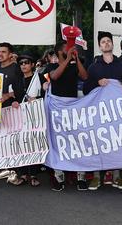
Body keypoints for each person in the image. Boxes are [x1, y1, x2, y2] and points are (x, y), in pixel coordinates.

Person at [84, 31, 122, 190]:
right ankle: (97, 177)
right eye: (103, 42)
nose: (106, 43)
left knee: (118, 143)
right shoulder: (93, 67)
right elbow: (85, 89)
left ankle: (118, 177)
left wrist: (120, 85)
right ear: (99, 46)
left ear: (112, 44)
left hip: (118, 111)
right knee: (99, 143)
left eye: (108, 41)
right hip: (99, 112)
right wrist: (97, 82)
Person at [46, 40, 88, 191]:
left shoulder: (74, 65)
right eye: (67, 48)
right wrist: (67, 59)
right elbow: (55, 77)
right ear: (59, 52)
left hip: (73, 107)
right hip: (57, 108)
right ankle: (59, 175)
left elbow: (84, 76)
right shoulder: (52, 66)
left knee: (77, 139)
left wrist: (75, 59)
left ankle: (80, 175)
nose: (70, 49)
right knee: (58, 141)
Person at [7, 54, 44, 187]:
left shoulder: (39, 77)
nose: (23, 65)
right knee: (21, 144)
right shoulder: (16, 80)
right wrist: (14, 102)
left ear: (32, 64)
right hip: (20, 116)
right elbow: (12, 96)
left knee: (34, 144)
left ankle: (33, 174)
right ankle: (22, 173)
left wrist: (37, 99)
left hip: (35, 116)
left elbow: (47, 94)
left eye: (26, 62)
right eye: (21, 63)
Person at [0, 42, 25, 181]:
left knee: (12, 140)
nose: (0, 54)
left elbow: (21, 89)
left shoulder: (16, 68)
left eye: (4, 52)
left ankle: (16, 171)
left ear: (10, 54)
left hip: (12, 109)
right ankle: (4, 168)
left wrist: (8, 95)